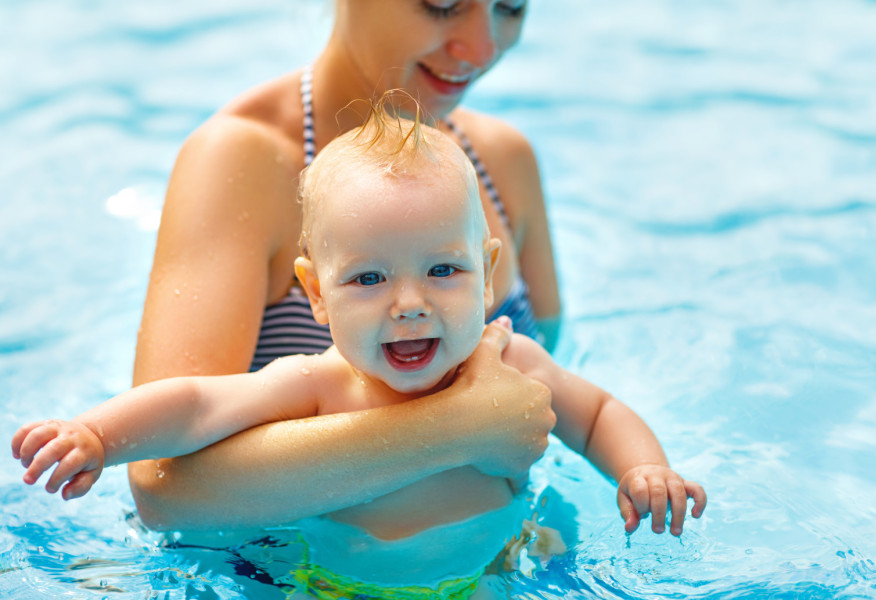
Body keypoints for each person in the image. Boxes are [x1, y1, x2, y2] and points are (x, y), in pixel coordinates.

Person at [12, 108, 706, 597]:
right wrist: (98, 435)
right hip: (327, 588)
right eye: (369, 279)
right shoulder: (317, 385)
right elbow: (197, 404)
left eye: (443, 270)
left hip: (494, 576)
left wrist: (644, 469)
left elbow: (598, 414)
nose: (410, 303)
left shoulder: (513, 362)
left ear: (489, 272)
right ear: (316, 294)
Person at [128, 0, 561, 529]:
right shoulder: (244, 161)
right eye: (443, 5)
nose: (483, 46)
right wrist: (457, 429)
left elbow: (554, 377)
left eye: (510, 8)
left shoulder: (502, 157)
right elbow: (163, 489)